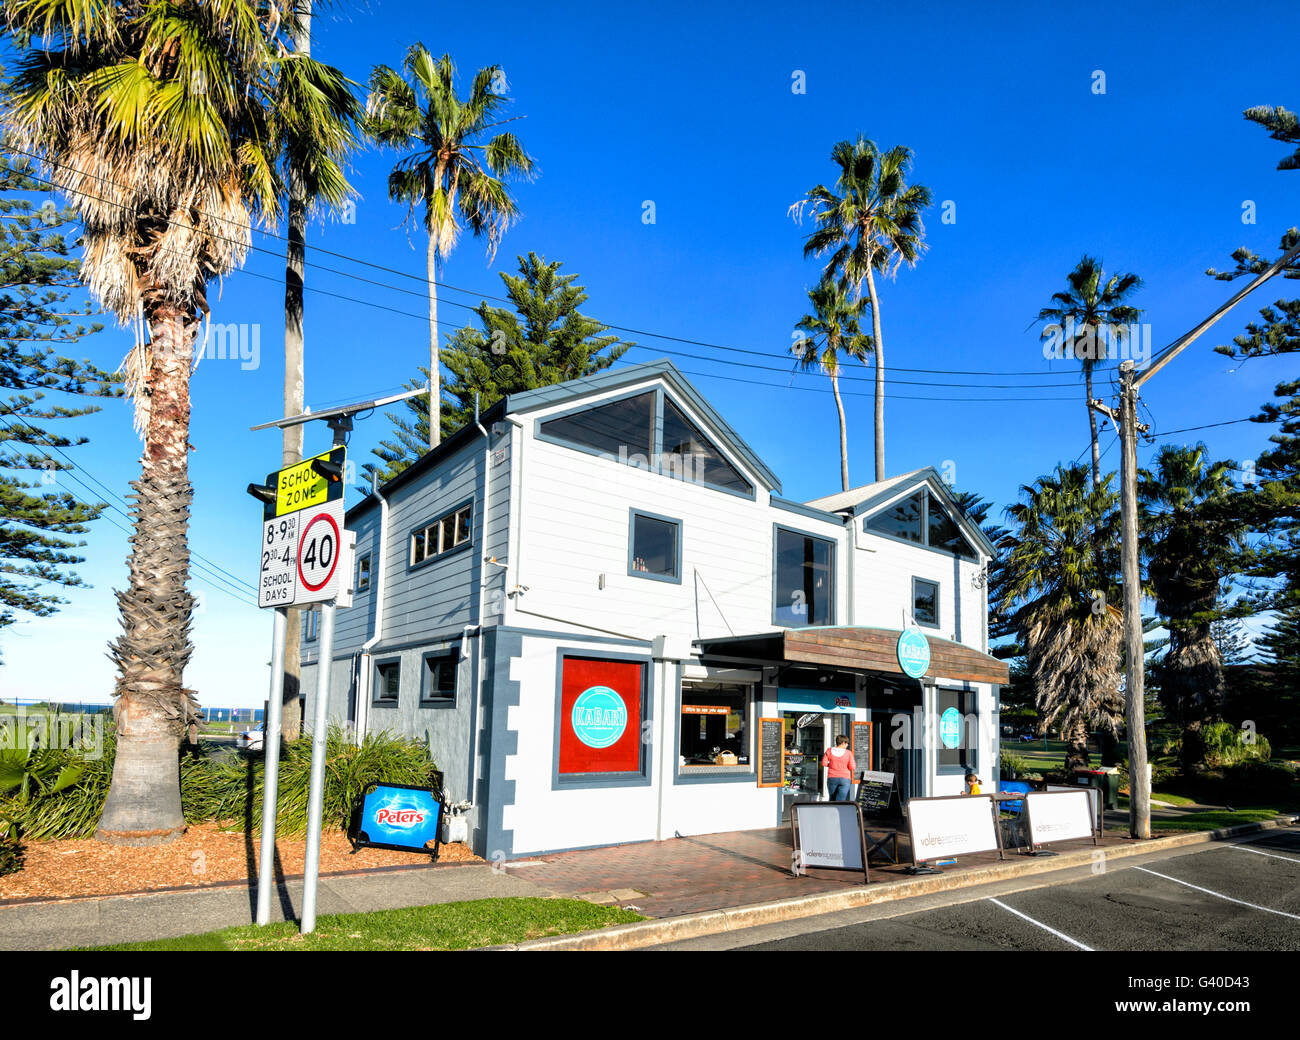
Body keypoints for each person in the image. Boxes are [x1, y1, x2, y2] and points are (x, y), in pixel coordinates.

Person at [821, 735, 856, 801]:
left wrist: (831, 764)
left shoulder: (829, 751)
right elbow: (852, 767)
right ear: (843, 743)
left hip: (832, 778)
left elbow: (824, 763)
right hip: (845, 779)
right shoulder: (848, 753)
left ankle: (831, 811)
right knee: (841, 800)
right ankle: (839, 811)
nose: (847, 745)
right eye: (846, 743)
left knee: (832, 799)